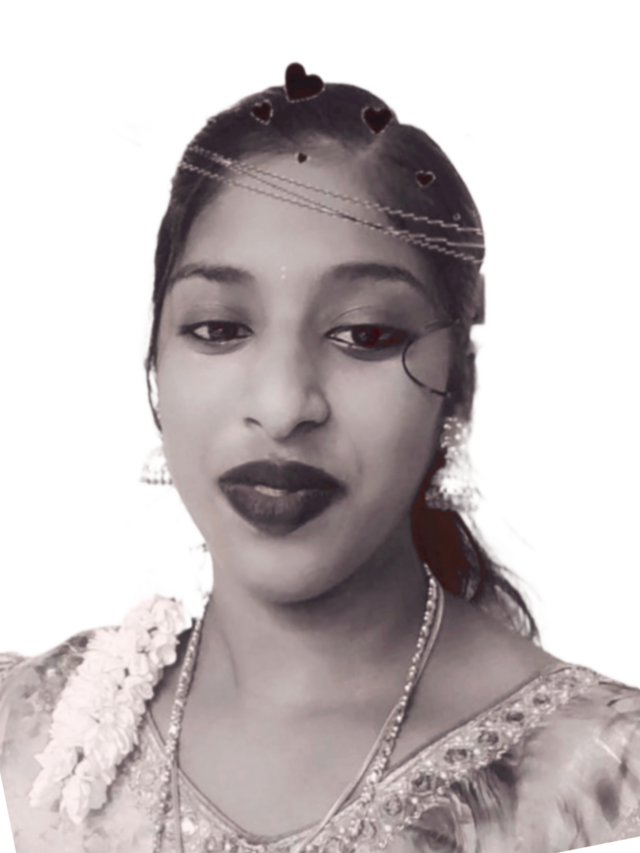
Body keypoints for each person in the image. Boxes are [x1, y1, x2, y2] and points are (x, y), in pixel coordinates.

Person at [1, 61, 638, 853]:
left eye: (365, 334)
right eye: (220, 328)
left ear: (460, 389)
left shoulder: (607, 781)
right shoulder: (31, 730)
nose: (282, 405)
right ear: (150, 367)